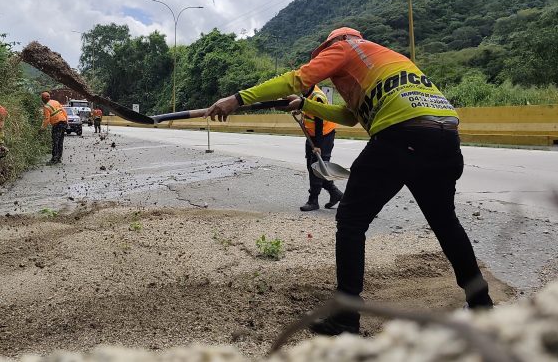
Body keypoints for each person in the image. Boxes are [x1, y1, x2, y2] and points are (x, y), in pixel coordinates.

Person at [205, 27, 493, 335]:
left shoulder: (346, 47)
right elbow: (350, 117)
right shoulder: (387, 59)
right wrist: (304, 105)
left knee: (352, 221)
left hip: (401, 135)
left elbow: (295, 79)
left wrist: (237, 99)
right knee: (445, 222)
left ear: (333, 44)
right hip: (445, 137)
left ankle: (345, 316)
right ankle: (481, 305)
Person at [300, 85, 343, 212]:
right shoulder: (307, 93)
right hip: (312, 135)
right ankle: (335, 193)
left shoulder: (317, 97)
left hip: (323, 136)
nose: (299, 87)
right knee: (312, 167)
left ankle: (313, 200)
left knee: (317, 167)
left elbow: (319, 121)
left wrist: (318, 145)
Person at [41, 92, 68, 165]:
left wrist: (42, 128)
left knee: (55, 141)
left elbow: (47, 119)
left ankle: (54, 159)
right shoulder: (56, 102)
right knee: (60, 141)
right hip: (63, 123)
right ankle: (58, 158)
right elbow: (64, 111)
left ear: (43, 99)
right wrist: (66, 121)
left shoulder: (46, 107)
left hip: (57, 124)